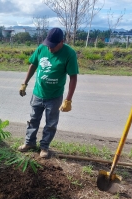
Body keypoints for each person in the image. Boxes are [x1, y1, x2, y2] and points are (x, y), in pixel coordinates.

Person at [18, 27, 78, 158]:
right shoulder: (41, 48)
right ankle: (29, 143)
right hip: (38, 93)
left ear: (61, 42)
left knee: (50, 124)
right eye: (48, 45)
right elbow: (33, 65)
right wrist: (25, 83)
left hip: (54, 96)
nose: (50, 49)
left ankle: (44, 147)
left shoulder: (69, 54)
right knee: (33, 119)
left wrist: (68, 99)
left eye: (53, 46)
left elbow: (73, 77)